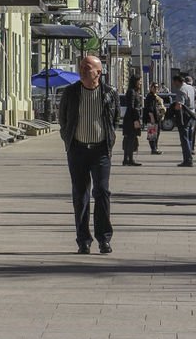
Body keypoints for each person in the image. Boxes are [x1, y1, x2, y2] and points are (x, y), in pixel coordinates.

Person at [58, 55, 120, 254]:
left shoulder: (109, 93)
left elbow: (115, 118)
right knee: (80, 194)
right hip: (77, 149)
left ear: (98, 72)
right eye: (81, 67)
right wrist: (67, 137)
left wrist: (108, 138)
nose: (83, 70)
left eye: (88, 67)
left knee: (102, 192)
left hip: (101, 150)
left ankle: (104, 239)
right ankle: (83, 240)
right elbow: (63, 118)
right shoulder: (71, 92)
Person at [168, 74, 196, 167]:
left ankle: (188, 160)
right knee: (189, 138)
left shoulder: (181, 90)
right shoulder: (191, 88)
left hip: (184, 116)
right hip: (192, 114)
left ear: (178, 81)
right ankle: (189, 157)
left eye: (174, 82)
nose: (173, 84)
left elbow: (179, 105)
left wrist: (174, 114)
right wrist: (194, 104)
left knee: (184, 139)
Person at [120, 74, 144, 166]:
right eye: (139, 81)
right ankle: (129, 159)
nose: (140, 83)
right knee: (130, 139)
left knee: (130, 139)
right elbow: (132, 107)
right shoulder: (132, 92)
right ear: (135, 82)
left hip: (131, 117)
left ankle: (127, 159)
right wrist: (136, 119)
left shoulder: (134, 92)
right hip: (131, 119)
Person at [143, 82, 165, 154]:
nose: (156, 88)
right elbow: (149, 108)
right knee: (152, 134)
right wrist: (151, 117)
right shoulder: (150, 97)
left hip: (157, 117)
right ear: (151, 88)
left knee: (157, 133)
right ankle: (153, 149)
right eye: (154, 87)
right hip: (152, 118)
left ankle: (156, 147)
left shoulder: (156, 96)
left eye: (157, 87)